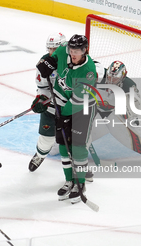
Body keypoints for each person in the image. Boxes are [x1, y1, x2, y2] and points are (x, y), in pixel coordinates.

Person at [36, 34, 98, 203]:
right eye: (71, 50)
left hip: (82, 108)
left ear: (85, 50)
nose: (73, 54)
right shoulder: (64, 51)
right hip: (62, 105)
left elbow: (78, 101)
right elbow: (50, 58)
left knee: (77, 146)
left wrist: (63, 114)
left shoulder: (88, 72)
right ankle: (69, 180)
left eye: (77, 51)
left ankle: (81, 184)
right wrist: (45, 64)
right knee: (63, 145)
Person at [92, 60, 141, 166]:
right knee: (79, 130)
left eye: (115, 78)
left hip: (112, 113)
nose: (111, 80)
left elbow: (136, 106)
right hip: (94, 109)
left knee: (128, 136)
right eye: (109, 77)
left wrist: (133, 118)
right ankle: (70, 147)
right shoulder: (97, 75)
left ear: (123, 77)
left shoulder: (129, 86)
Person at [29, 32, 66, 172]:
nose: (51, 52)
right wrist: (42, 100)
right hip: (52, 106)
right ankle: (40, 154)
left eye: (55, 49)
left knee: (74, 139)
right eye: (49, 49)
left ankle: (79, 166)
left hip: (69, 106)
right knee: (46, 140)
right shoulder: (44, 64)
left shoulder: (72, 59)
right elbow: (43, 88)